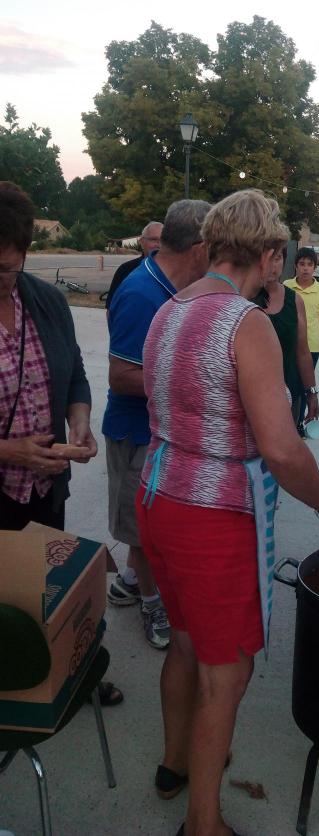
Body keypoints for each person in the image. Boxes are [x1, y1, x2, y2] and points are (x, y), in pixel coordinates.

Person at [135, 189, 319, 836]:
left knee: (184, 643)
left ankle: (176, 762)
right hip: (212, 516)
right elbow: (282, 449)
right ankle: (204, 824)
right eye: (277, 258)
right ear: (268, 255)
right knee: (225, 672)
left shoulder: (171, 307)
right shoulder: (246, 322)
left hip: (158, 496)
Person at [0, 180, 121, 706]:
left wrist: (80, 423)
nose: (3, 278)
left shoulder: (45, 301)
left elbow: (73, 376)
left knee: (47, 591)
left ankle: (67, 675)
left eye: (9, 268)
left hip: (45, 487)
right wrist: (10, 451)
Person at [103, 199, 211, 650]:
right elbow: (121, 376)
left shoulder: (177, 286)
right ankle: (152, 603)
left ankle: (131, 581)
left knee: (148, 525)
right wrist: (195, 379)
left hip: (161, 431)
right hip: (135, 433)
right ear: (199, 246)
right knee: (145, 532)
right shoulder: (140, 293)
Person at [257, 247, 319, 425]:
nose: (271, 265)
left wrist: (311, 393)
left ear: (284, 261)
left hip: (288, 395)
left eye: (277, 258)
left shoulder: (295, 300)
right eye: (266, 257)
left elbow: (303, 353)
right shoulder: (243, 297)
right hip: (250, 395)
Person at [284, 246, 319, 433]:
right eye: (302, 264)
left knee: (306, 386)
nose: (305, 268)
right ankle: (286, 422)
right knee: (289, 385)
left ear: (315, 267)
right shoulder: (286, 286)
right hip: (289, 345)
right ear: (295, 266)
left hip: (312, 346)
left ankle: (299, 423)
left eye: (309, 264)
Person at [105, 221, 163, 311]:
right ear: (142, 242)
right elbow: (111, 309)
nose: (159, 245)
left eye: (163, 240)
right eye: (154, 239)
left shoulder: (174, 272)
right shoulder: (126, 270)